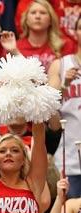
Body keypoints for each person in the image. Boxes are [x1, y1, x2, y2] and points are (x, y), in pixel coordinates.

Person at [48, 16, 81, 198]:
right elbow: (49, 108)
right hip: (69, 158)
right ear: (75, 32)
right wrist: (65, 84)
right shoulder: (60, 65)